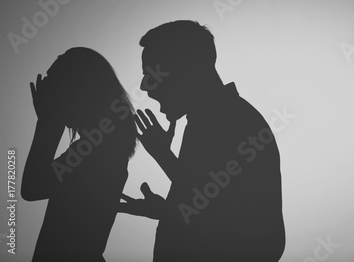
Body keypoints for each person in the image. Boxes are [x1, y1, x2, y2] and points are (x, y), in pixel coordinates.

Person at [119, 20, 286, 261]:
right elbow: (208, 199)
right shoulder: (211, 119)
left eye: (151, 73)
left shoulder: (232, 121)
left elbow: (249, 235)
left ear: (184, 70)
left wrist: (163, 158)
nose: (145, 86)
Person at [21, 47, 137, 261]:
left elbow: (32, 188)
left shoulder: (94, 150)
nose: (48, 92)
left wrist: (49, 122)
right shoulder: (99, 145)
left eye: (54, 84)